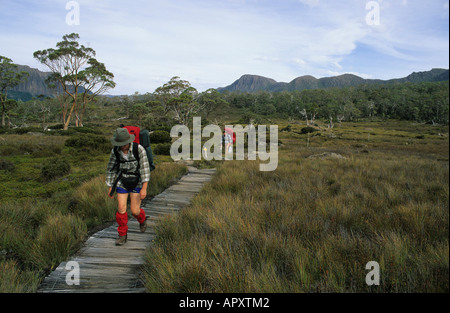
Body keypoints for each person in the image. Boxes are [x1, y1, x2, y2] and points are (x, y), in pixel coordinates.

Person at [106, 128, 150, 246]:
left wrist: (144, 188)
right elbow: (111, 169)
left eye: (123, 144)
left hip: (137, 181)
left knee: (135, 211)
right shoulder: (115, 151)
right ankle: (122, 235)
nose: (122, 146)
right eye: (119, 144)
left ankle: (142, 219)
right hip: (122, 181)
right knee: (121, 208)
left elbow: (145, 170)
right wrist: (110, 185)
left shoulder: (139, 149)